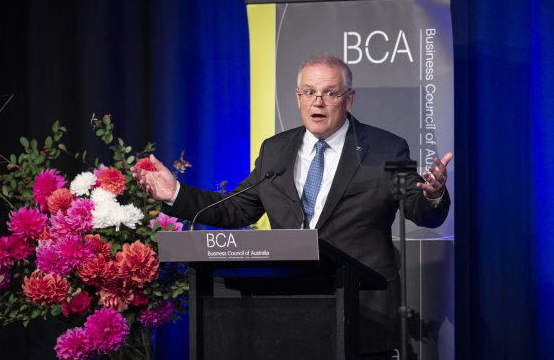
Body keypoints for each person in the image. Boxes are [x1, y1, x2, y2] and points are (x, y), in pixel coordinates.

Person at [132, 54, 452, 359]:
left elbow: (419, 209)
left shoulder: (386, 148)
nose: (318, 102)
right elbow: (236, 209)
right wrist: (175, 192)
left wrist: (432, 193)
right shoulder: (275, 150)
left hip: (362, 311)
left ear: (349, 98)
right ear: (298, 97)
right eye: (310, 92)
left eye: (330, 93)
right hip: (286, 309)